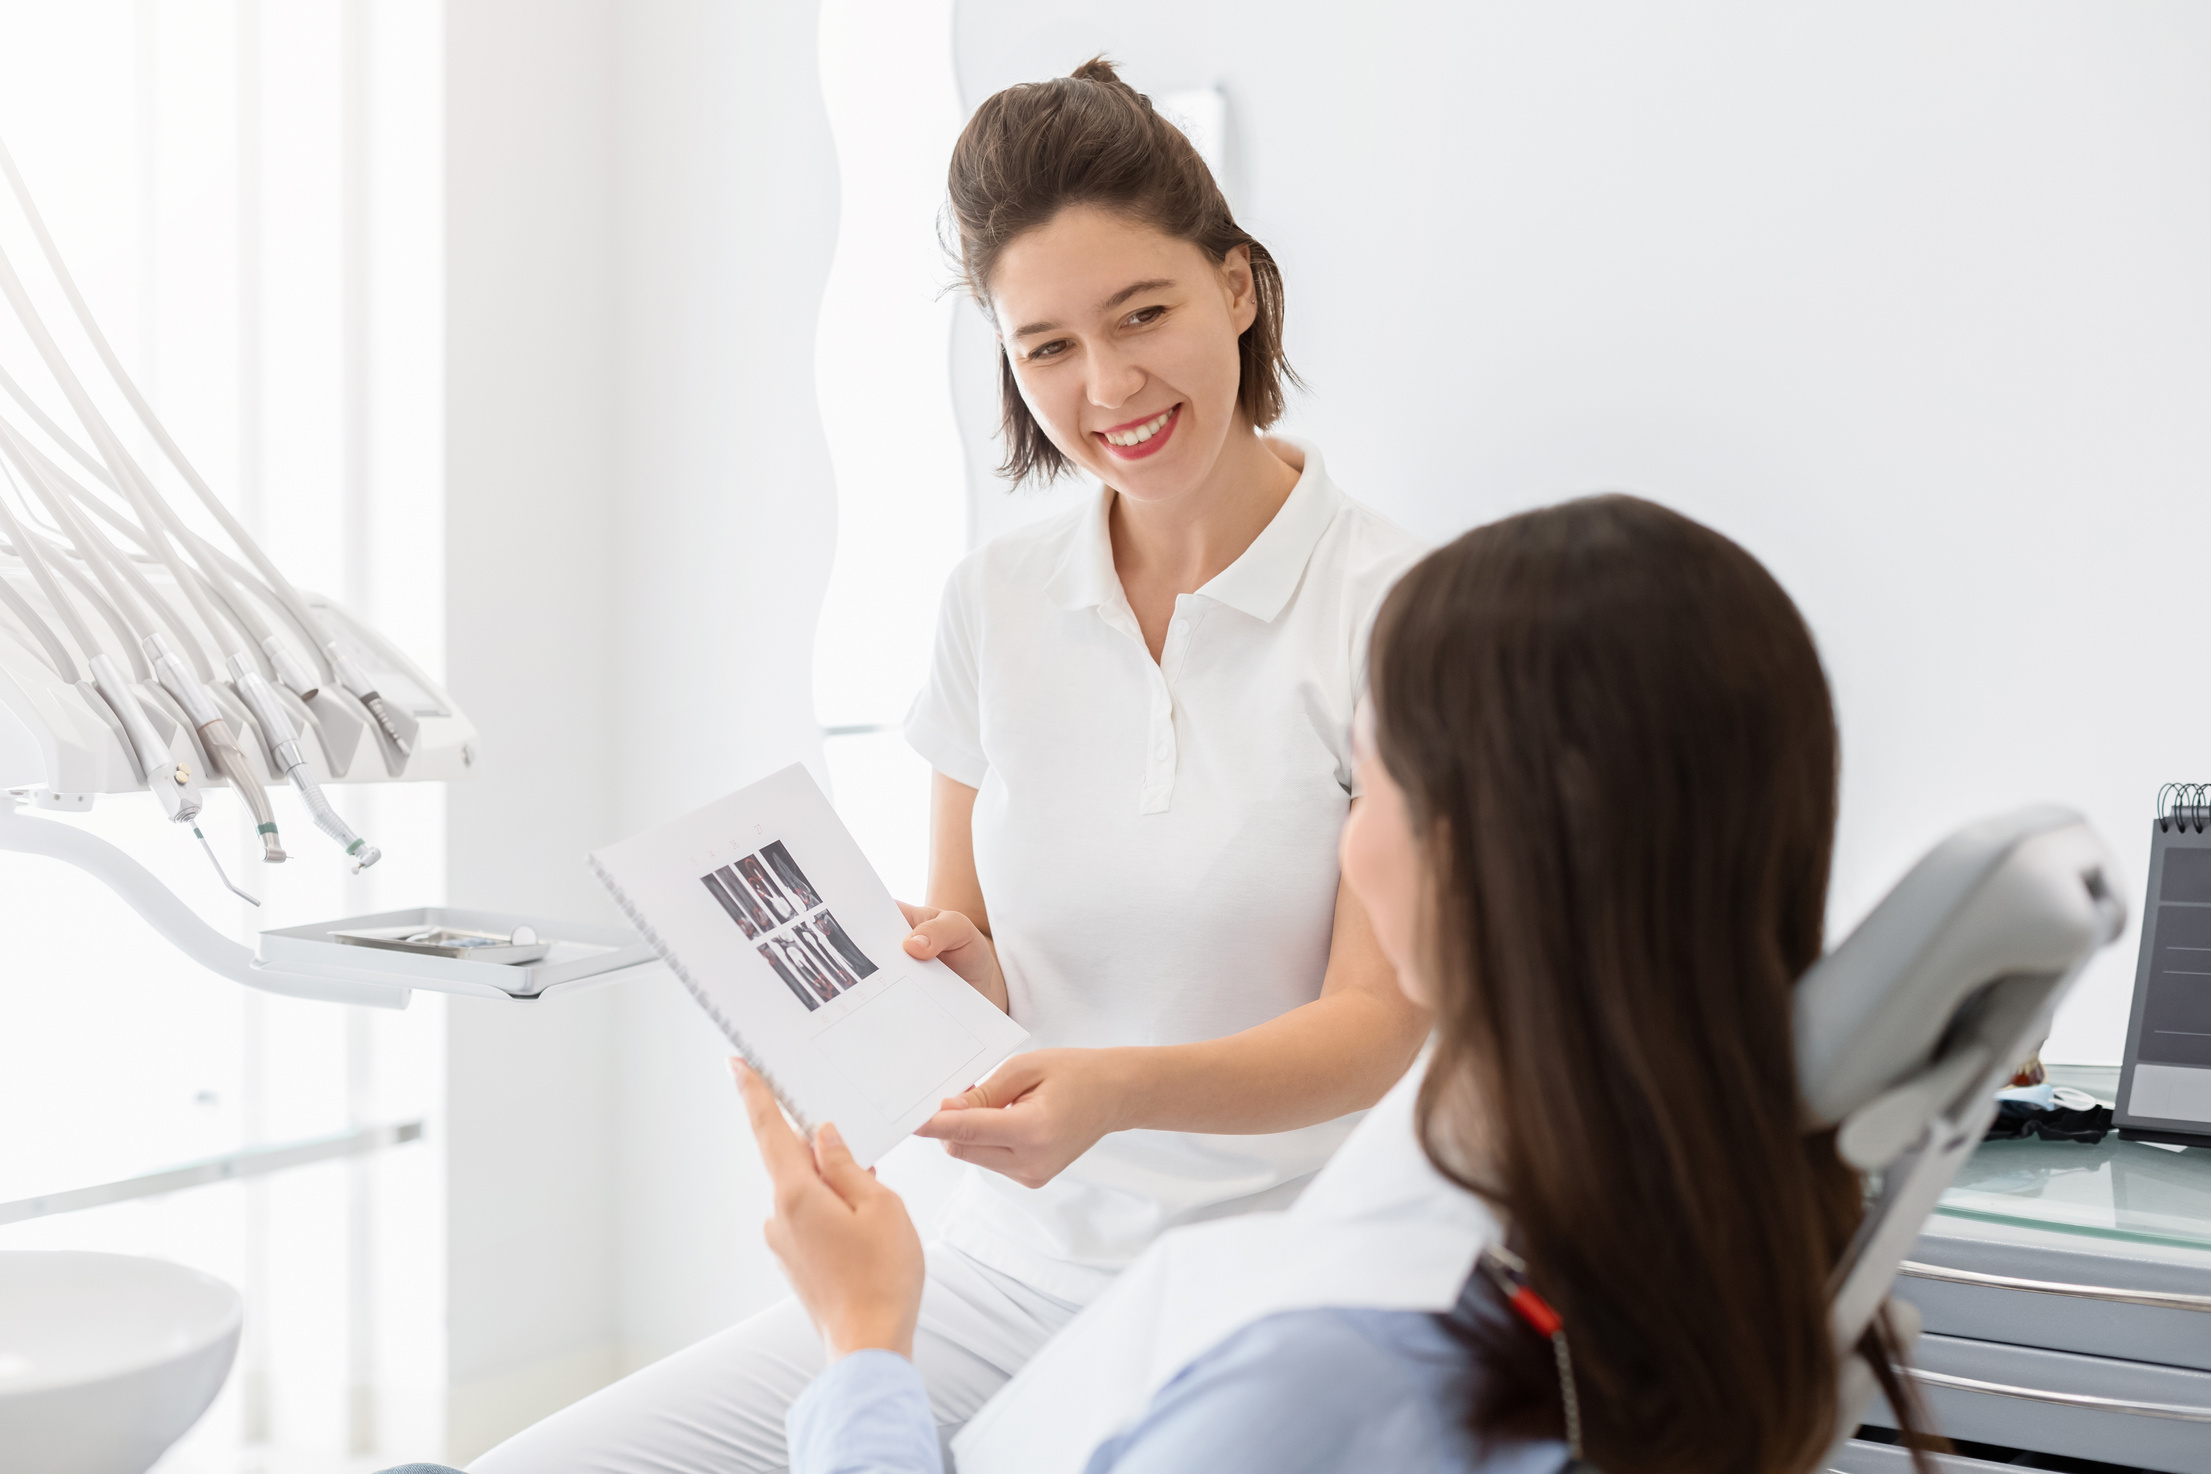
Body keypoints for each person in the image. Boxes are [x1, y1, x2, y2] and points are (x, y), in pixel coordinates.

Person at [469, 57, 1429, 1473]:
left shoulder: (1399, 609)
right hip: (996, 1262)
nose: (1106, 388)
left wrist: (1111, 1087)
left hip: (1263, 1286)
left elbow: (1375, 1028)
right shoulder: (996, 601)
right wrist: (939, 985)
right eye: (1043, 346)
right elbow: (964, 926)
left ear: (1235, 287)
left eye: (1142, 314)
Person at [728, 496, 1937, 1474]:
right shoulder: (1720, 1213)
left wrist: (864, 1339)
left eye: (1366, 781)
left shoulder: (1350, 1373)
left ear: (1471, 853)